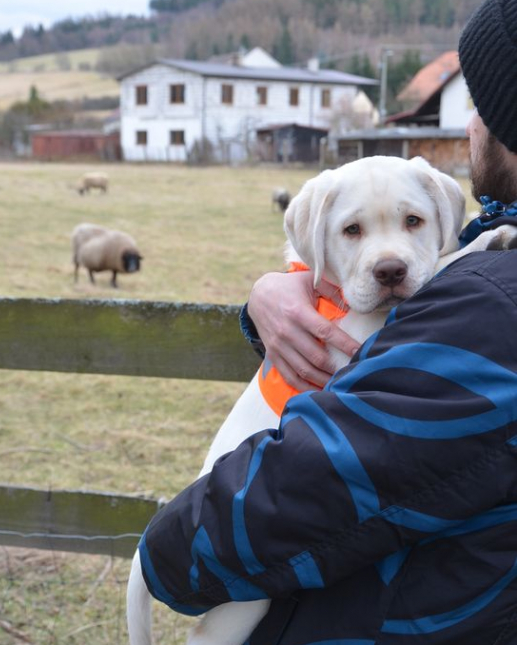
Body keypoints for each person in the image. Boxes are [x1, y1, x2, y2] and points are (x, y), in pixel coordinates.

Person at [137, 1, 517, 643]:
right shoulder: (487, 253)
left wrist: (158, 553)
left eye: (479, 103)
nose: (471, 122)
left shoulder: (493, 304)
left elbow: (287, 503)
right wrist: (280, 292)